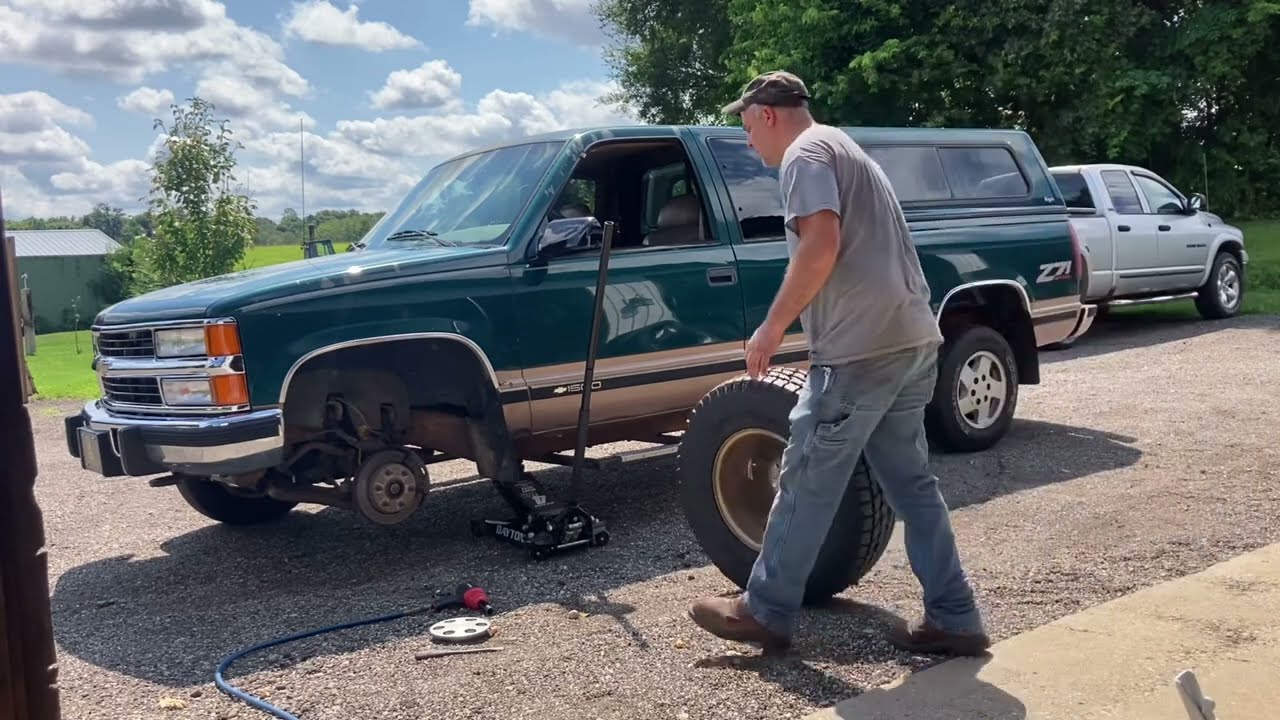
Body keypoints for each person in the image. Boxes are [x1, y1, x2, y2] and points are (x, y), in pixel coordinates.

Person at [686, 71, 990, 657]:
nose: (748, 139)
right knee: (912, 485)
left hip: (861, 350)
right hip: (910, 340)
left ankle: (765, 611)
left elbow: (820, 245)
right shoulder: (846, 147)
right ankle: (955, 615)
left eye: (747, 126)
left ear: (768, 114)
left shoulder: (804, 155)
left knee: (805, 476)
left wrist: (773, 326)